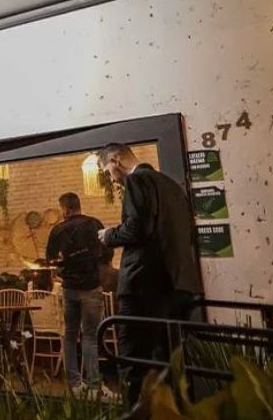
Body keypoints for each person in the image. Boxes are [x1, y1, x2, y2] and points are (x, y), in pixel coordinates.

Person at [96, 143, 204, 407]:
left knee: (135, 364)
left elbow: (137, 229)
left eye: (107, 171)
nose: (111, 178)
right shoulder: (173, 186)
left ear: (115, 160)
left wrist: (109, 235)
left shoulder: (137, 181)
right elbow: (188, 234)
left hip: (144, 287)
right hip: (180, 286)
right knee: (171, 366)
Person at [44, 193, 110, 396]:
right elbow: (107, 252)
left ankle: (74, 385)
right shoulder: (94, 224)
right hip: (91, 287)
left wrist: (63, 267)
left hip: (69, 288)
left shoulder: (57, 230)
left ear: (65, 209)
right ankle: (94, 386)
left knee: (70, 335)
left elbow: (50, 260)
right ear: (78, 206)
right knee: (90, 336)